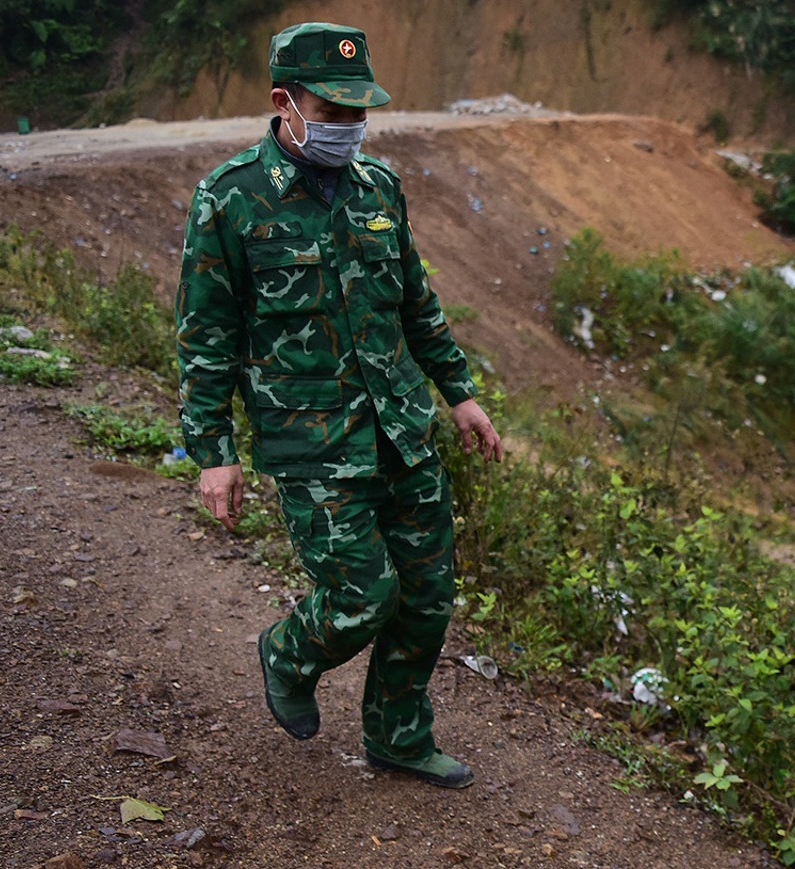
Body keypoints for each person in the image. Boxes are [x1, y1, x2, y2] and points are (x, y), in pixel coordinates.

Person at [175, 21, 502, 790]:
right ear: (284, 101)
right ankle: (287, 652)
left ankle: (396, 735)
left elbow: (416, 305)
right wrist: (213, 450)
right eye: (334, 111)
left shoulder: (379, 189)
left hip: (401, 432)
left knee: (426, 596)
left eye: (361, 113)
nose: (350, 128)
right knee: (363, 594)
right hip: (312, 445)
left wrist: (459, 392)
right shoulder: (230, 200)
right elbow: (206, 336)